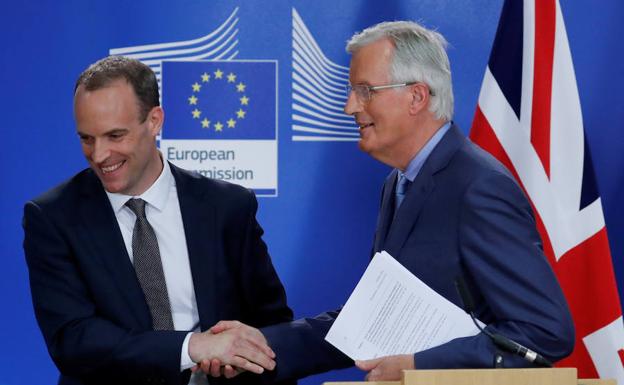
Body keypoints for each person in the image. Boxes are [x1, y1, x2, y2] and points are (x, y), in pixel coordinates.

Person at [201, 20, 575, 382]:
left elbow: (544, 331)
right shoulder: (398, 183)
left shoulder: (478, 188)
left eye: (365, 91)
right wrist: (258, 345)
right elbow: (370, 322)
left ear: (416, 96)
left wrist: (420, 365)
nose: (350, 106)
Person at [22, 56, 294, 385]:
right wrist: (191, 347)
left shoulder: (227, 207)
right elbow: (74, 339)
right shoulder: (53, 217)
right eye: (86, 138)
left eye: (115, 136)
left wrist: (241, 356)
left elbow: (270, 324)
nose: (99, 154)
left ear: (154, 121)